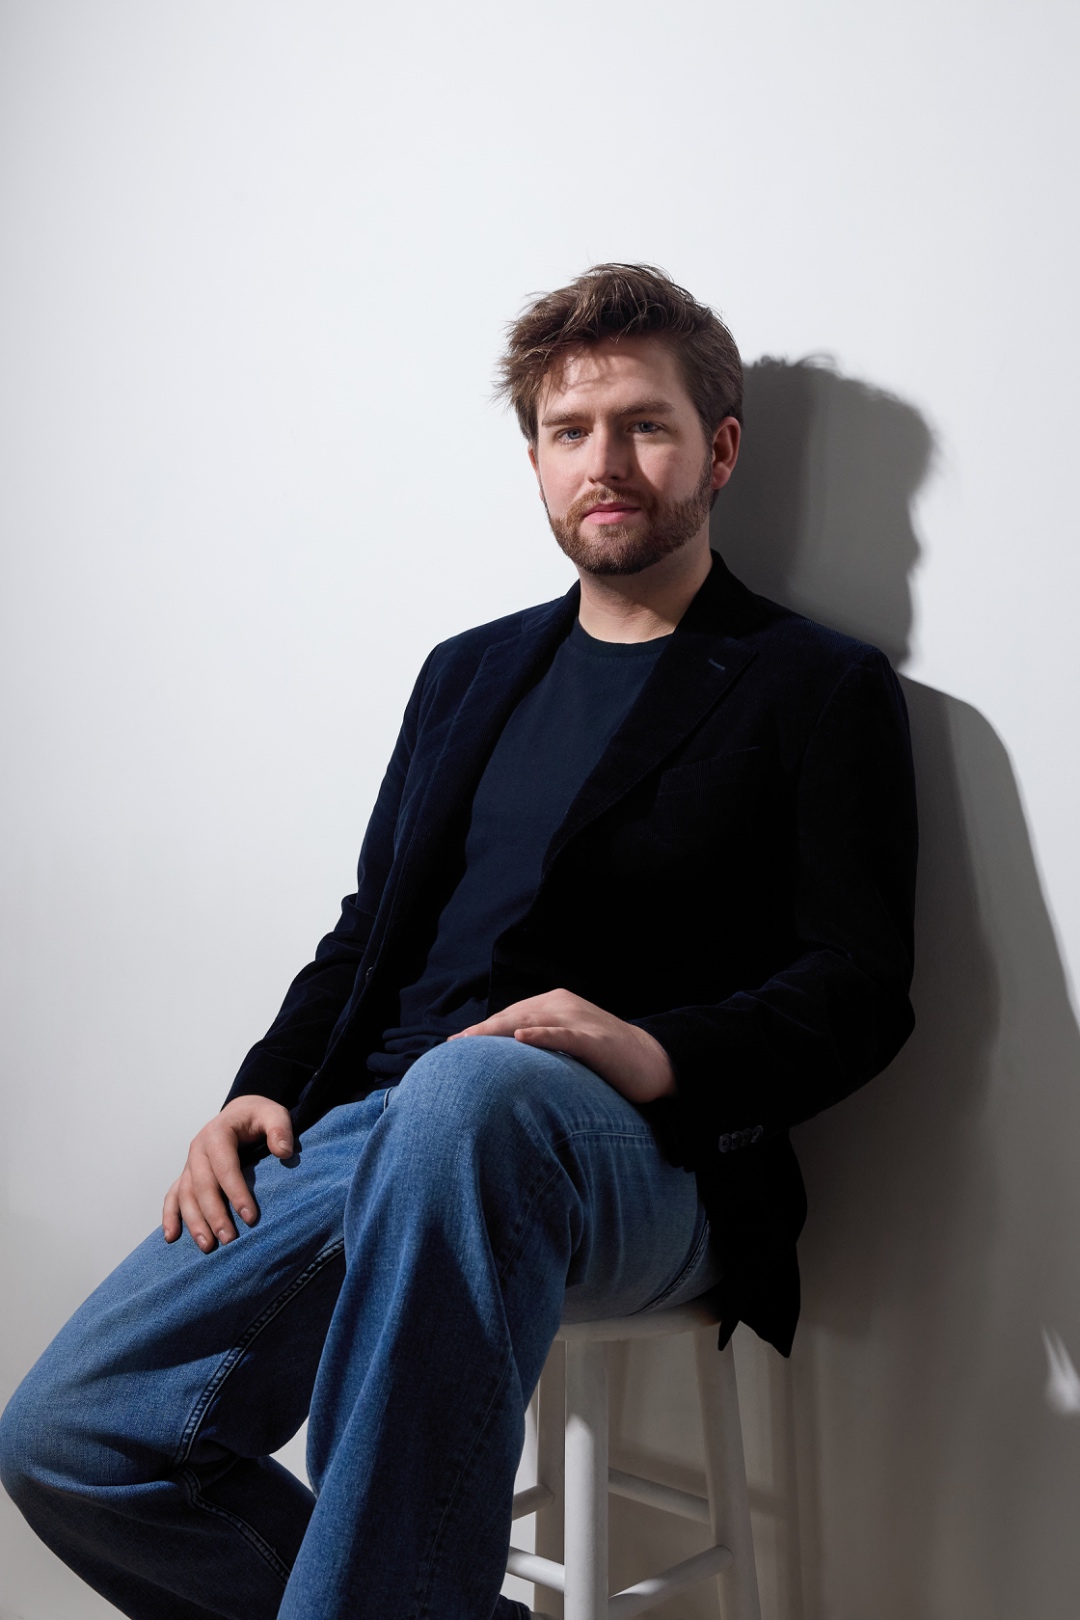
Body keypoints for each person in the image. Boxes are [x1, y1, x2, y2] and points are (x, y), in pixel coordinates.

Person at [0, 264, 918, 1620]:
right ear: (537, 461)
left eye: (644, 426)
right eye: (567, 431)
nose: (604, 462)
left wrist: (650, 1050)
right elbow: (372, 926)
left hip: (642, 1156)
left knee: (472, 1092)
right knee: (75, 1436)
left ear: (718, 449)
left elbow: (858, 991)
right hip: (377, 1124)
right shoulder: (467, 672)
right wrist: (259, 1089)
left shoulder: (816, 689)